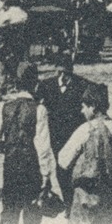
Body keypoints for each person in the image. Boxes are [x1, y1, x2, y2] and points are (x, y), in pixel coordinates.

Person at [0, 61, 60, 224]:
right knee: (32, 219)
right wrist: (46, 176)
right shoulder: (39, 110)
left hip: (10, 167)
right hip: (31, 168)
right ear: (35, 83)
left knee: (8, 216)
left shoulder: (4, 108)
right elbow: (43, 147)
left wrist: (11, 148)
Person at [57, 80, 112, 224]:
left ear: (93, 107)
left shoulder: (84, 130)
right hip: (111, 196)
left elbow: (63, 160)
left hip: (86, 196)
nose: (82, 110)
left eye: (84, 106)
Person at [37, 57, 87, 207]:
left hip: (76, 133)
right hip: (56, 134)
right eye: (59, 72)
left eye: (66, 73)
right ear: (55, 70)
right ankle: (68, 202)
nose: (63, 77)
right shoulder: (46, 86)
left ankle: (77, 201)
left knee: (75, 167)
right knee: (61, 167)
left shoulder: (82, 85)